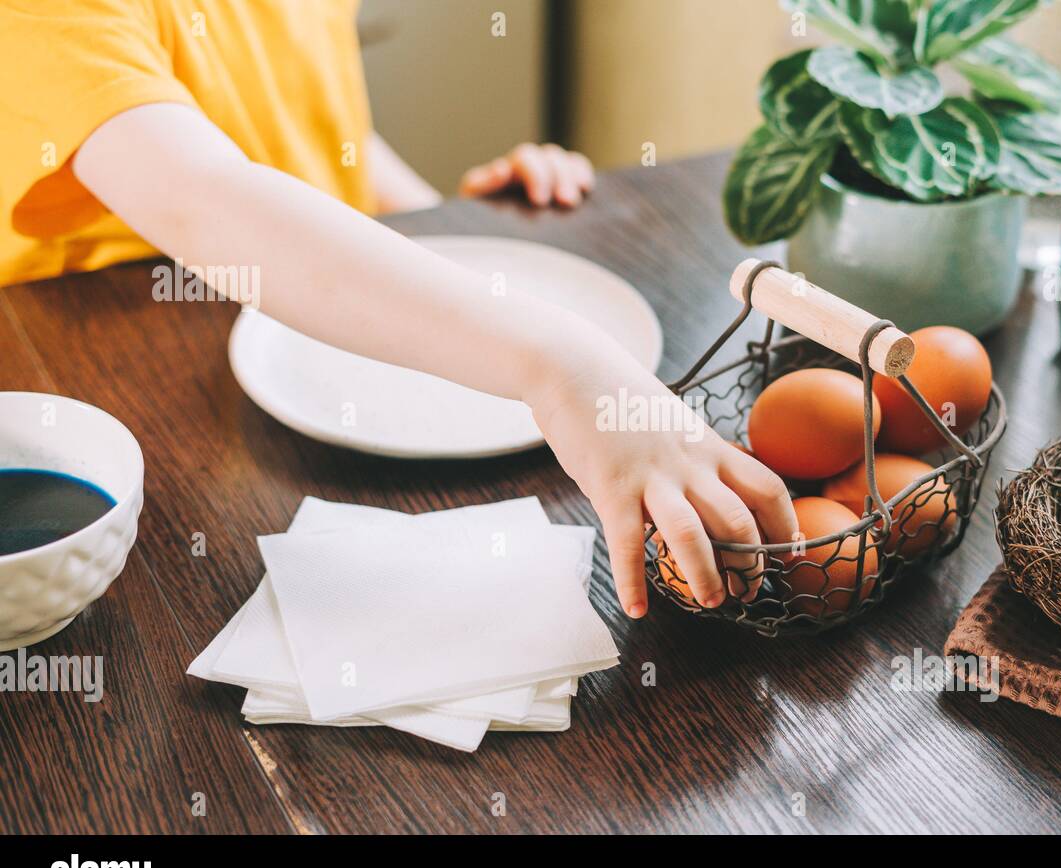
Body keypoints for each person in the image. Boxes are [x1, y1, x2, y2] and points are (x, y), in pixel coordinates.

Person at [0, 0, 796, 618]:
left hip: (333, 332)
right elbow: (200, 200)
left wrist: (445, 219)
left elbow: (308, 132)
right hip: (122, 393)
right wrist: (562, 366)